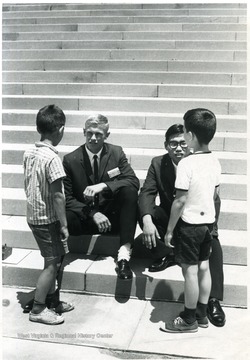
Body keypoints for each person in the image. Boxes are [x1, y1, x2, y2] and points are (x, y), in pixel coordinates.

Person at [138, 123, 225, 328]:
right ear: (166, 145)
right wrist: (147, 220)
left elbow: (215, 199)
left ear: (190, 143)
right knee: (144, 211)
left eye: (183, 143)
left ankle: (212, 300)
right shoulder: (158, 163)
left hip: (197, 220)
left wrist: (211, 228)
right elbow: (147, 192)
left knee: (212, 248)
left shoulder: (199, 162)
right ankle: (169, 254)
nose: (178, 148)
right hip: (173, 217)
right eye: (173, 144)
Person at [160, 108, 221, 333]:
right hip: (208, 225)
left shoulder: (187, 164)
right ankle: (202, 315)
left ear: (192, 136)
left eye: (185, 132)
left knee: (191, 272)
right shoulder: (214, 160)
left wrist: (169, 230)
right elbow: (214, 194)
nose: (184, 136)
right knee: (204, 268)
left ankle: (188, 319)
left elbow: (179, 201)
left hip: (190, 226)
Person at [63, 114, 139, 280]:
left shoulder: (116, 153)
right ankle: (56, 259)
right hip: (85, 217)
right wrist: (93, 214)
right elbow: (68, 199)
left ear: (107, 135)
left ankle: (124, 257)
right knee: (62, 214)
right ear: (84, 132)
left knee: (129, 192)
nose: (94, 138)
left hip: (111, 217)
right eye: (90, 133)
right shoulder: (70, 160)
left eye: (99, 134)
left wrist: (104, 185)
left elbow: (133, 181)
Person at [23, 104, 74, 325]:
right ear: (60, 129)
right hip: (47, 219)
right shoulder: (53, 159)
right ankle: (38, 308)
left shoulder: (30, 152)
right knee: (52, 262)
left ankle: (52, 300)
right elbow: (58, 196)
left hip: (34, 215)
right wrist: (64, 224)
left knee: (56, 258)